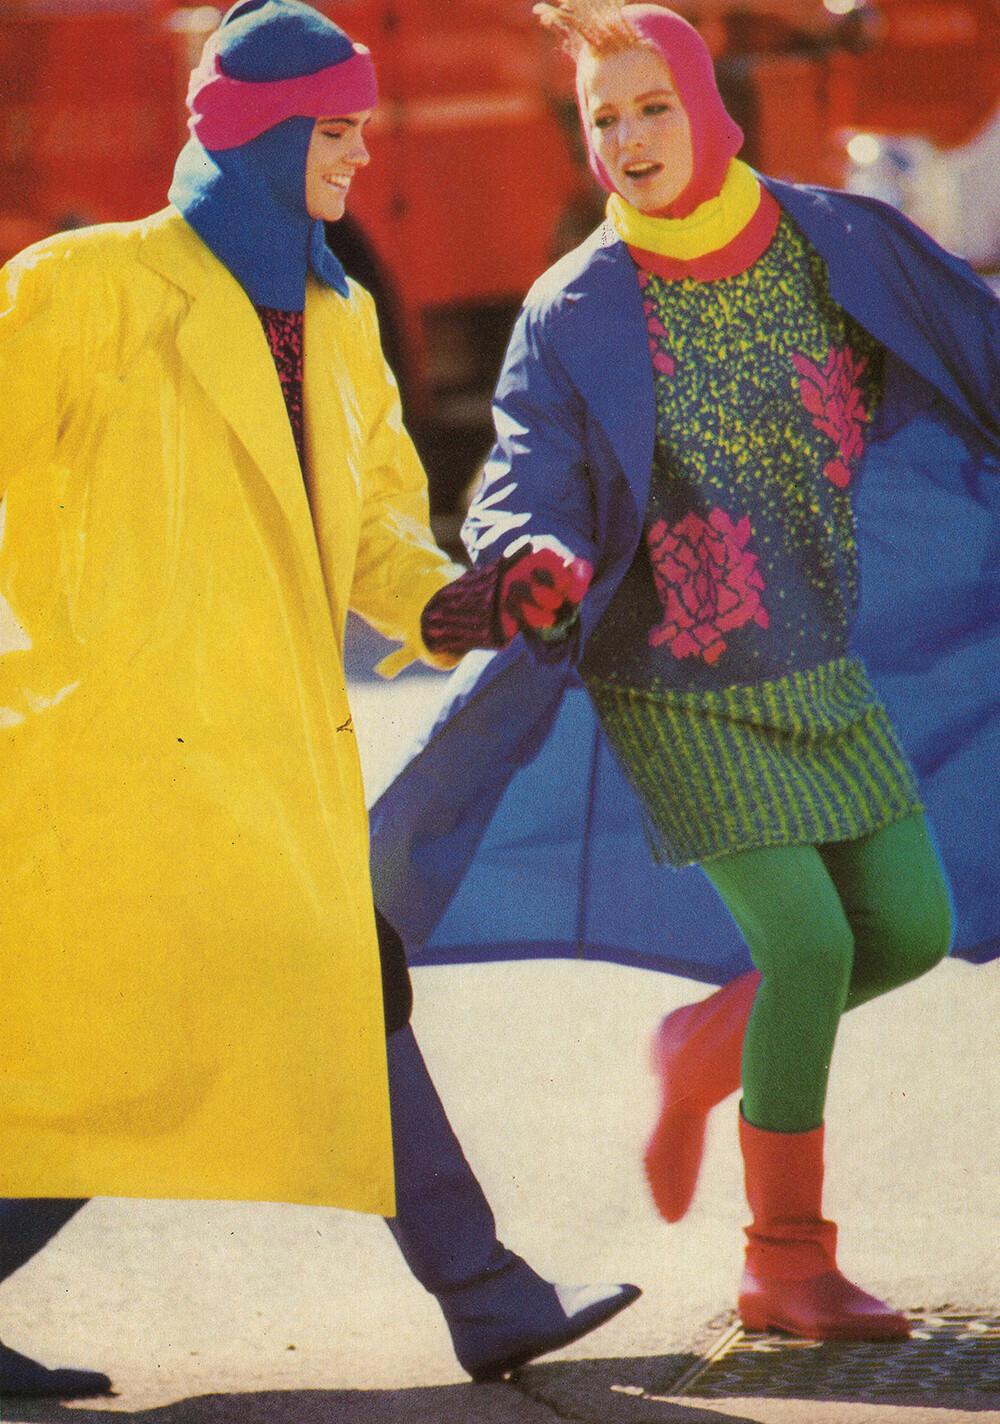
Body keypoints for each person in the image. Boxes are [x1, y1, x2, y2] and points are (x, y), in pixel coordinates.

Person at [0, 0, 640, 1396]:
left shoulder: (342, 320)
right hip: (120, 746)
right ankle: (489, 1297)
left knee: (212, 1031)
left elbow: (381, 542)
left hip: (273, 756)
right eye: (337, 133)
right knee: (273, 1011)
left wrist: (476, 600)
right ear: (262, 134)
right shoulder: (82, 287)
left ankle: (490, 1299)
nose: (361, 156)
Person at [371, 0, 1000, 1343]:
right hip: (674, 679)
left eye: (652, 106)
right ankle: (786, 1262)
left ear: (709, 110)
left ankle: (700, 1048)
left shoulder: (838, 241)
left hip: (816, 659)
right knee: (809, 945)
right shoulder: (574, 305)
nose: (629, 138)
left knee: (909, 928)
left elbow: (975, 349)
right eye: (603, 119)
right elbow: (524, 473)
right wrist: (530, 554)